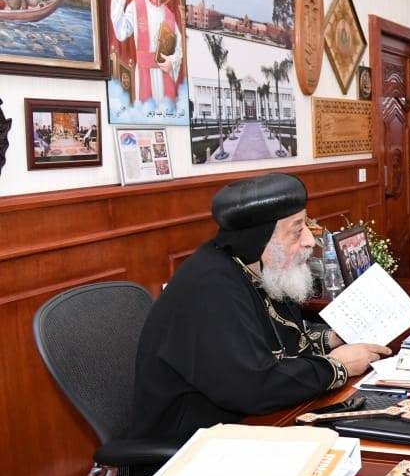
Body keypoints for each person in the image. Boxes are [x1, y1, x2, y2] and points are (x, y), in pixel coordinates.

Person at [131, 173, 392, 441]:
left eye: (306, 225)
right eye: (297, 230)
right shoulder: (211, 287)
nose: (309, 241)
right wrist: (338, 366)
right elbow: (253, 386)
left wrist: (332, 339)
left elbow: (280, 341)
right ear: (260, 237)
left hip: (249, 425)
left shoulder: (259, 267)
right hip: (192, 442)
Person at [110, 0, 183, 108]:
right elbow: (121, 32)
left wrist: (172, 61)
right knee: (146, 111)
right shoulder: (137, 6)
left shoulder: (169, 15)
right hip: (144, 76)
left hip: (166, 77)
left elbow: (179, 50)